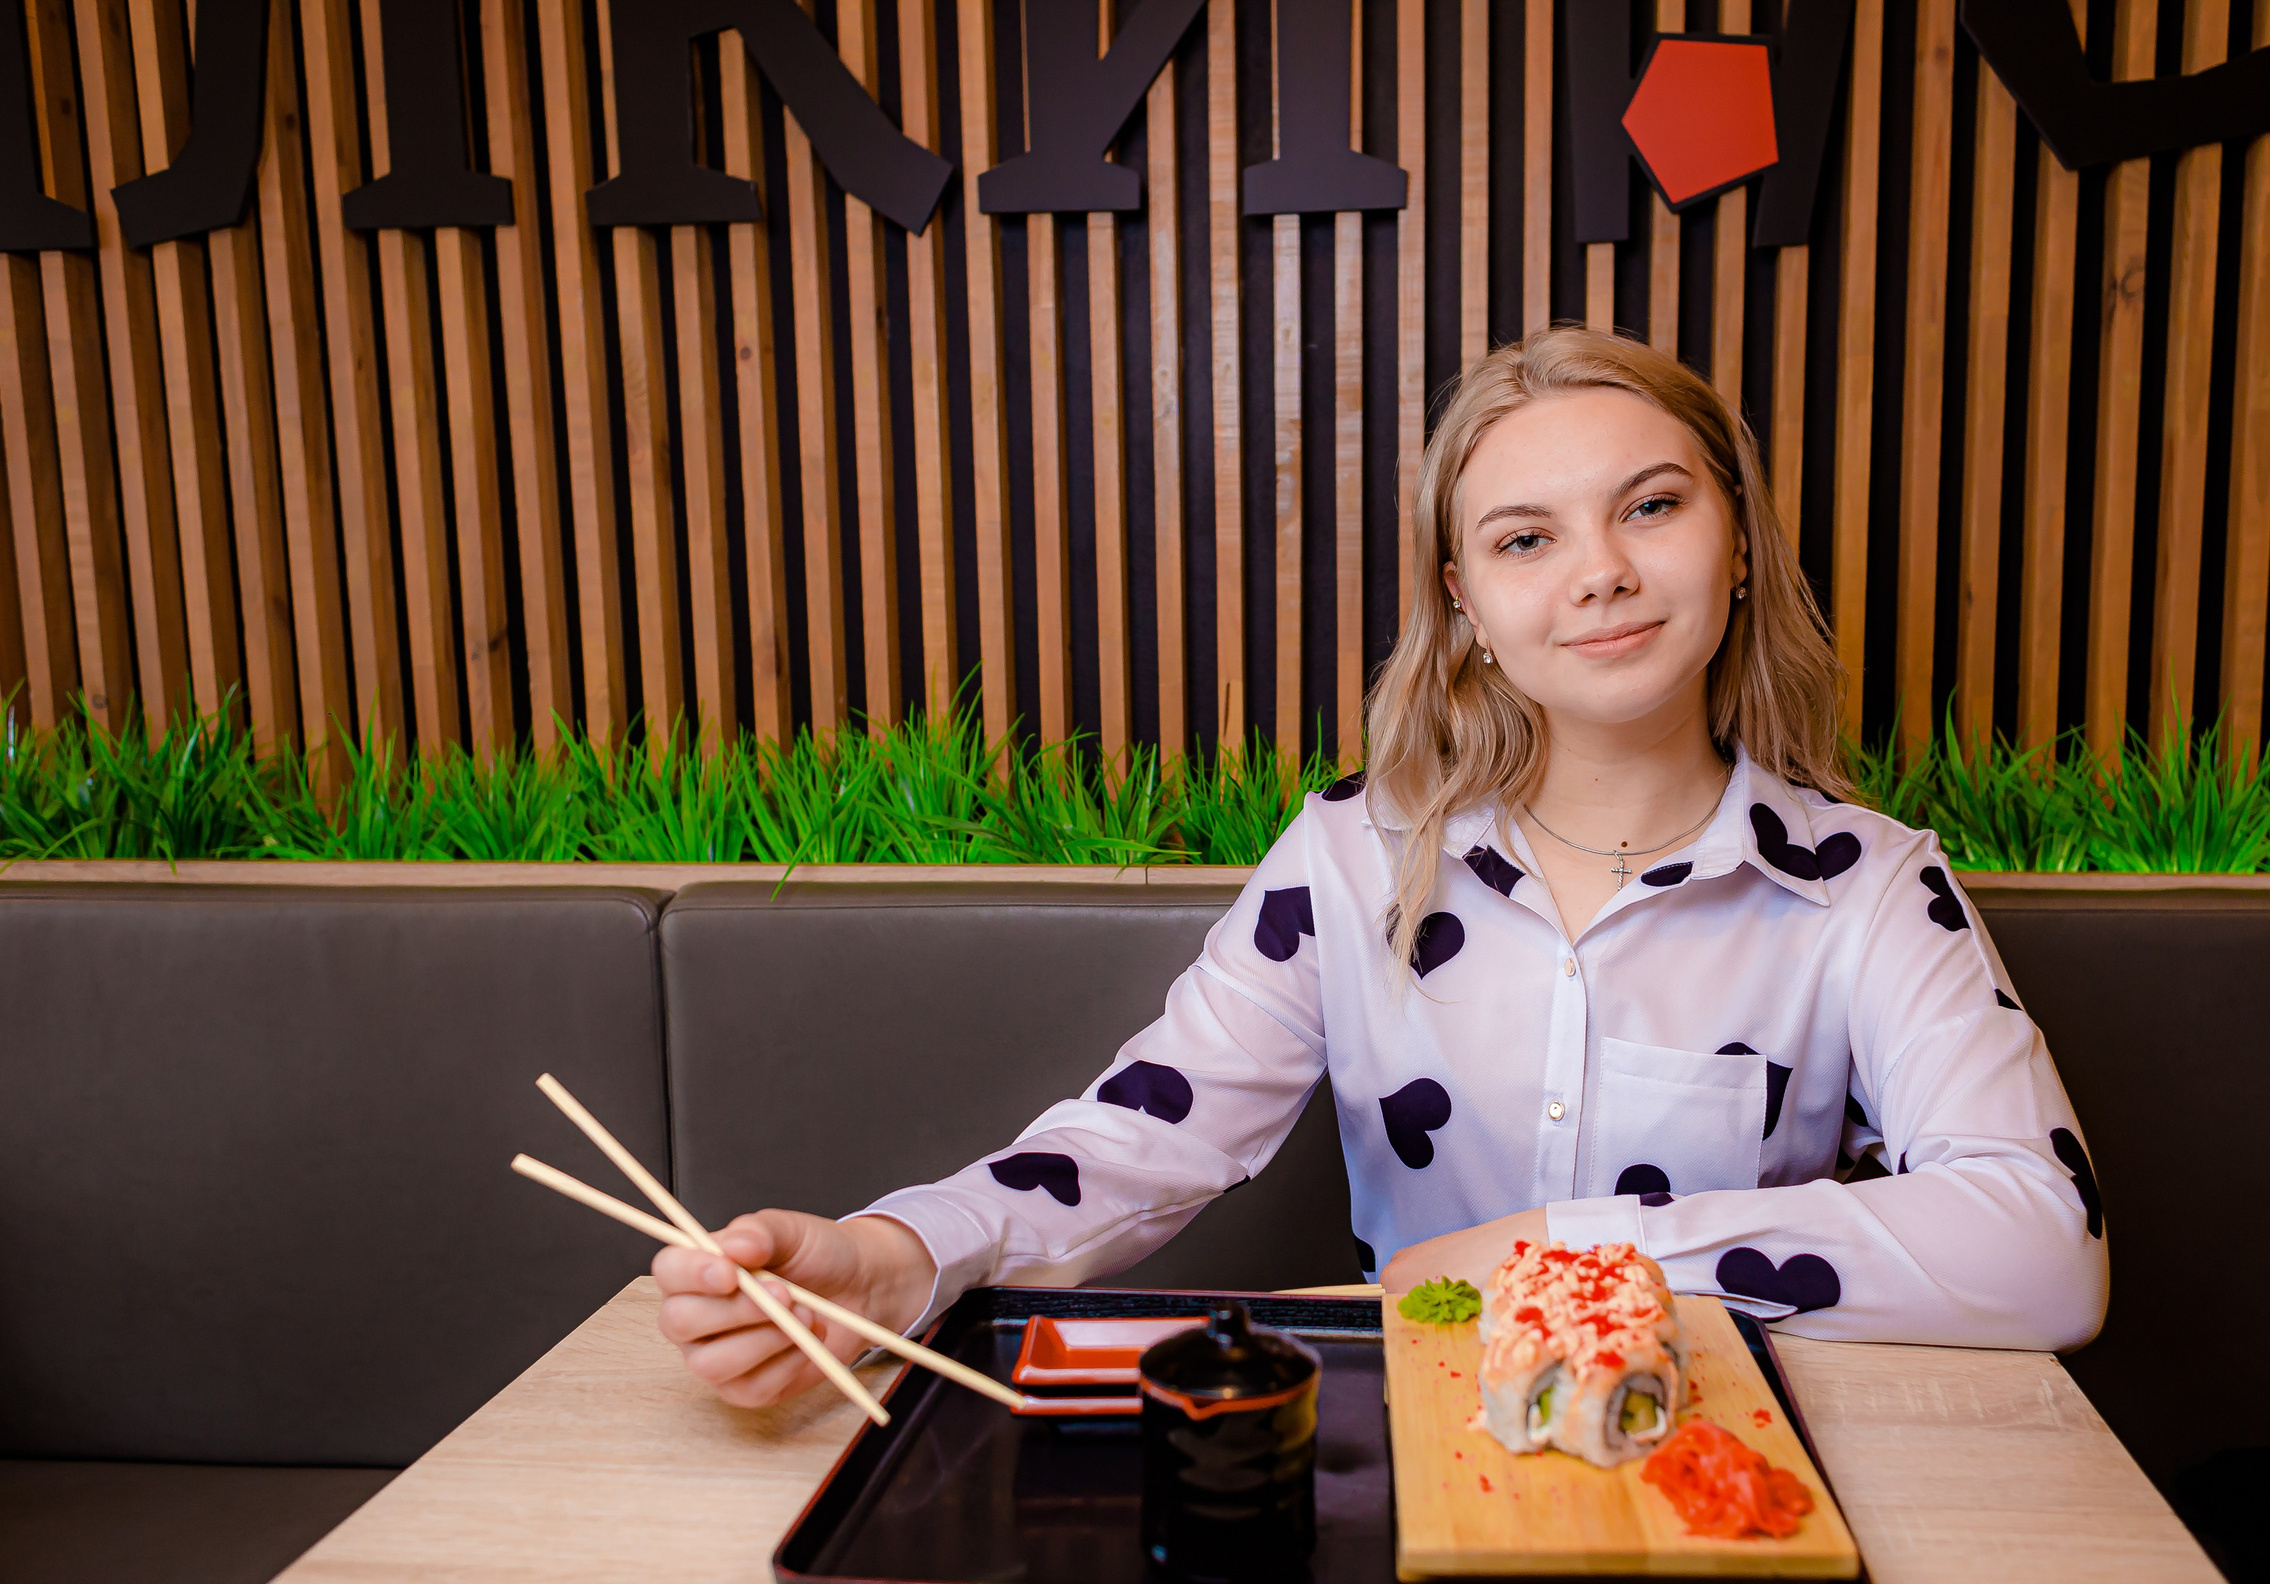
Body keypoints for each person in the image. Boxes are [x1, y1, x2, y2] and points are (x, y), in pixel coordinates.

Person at [654, 327, 2109, 1408]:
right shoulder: (1355, 857)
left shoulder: (1866, 886)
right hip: (1421, 1442)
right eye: (1525, 538)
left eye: (1652, 506)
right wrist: (905, 1253)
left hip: (1735, 1456)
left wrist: (1562, 1247)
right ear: (1466, 605)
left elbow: (2047, 1247)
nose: (1598, 569)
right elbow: (1145, 1138)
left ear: (1736, 544)